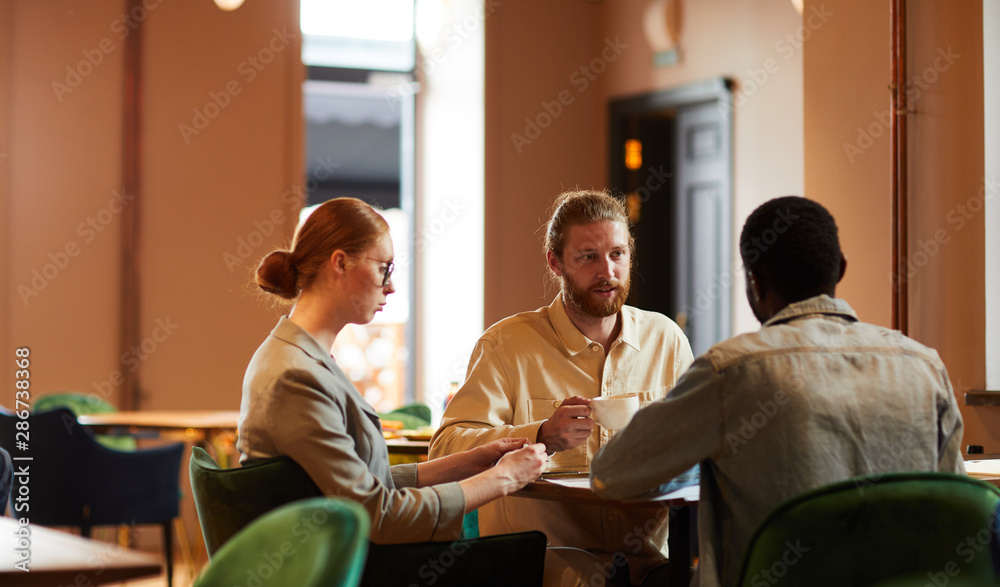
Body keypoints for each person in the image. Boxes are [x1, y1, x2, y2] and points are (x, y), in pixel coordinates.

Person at [591, 196, 966, 587]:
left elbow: (610, 474)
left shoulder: (730, 371)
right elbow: (957, 503)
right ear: (840, 268)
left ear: (754, 281)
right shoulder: (925, 366)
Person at [237, 197, 547, 546]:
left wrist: (471, 463)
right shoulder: (295, 376)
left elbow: (363, 484)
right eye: (385, 267)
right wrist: (503, 479)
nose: (391, 285)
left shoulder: (300, 357)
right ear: (339, 263)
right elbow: (378, 516)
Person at [430, 189, 694, 584]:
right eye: (588, 257)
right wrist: (538, 435)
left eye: (617, 254)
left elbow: (697, 445)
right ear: (555, 262)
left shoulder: (666, 340)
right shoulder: (506, 345)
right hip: (545, 562)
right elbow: (446, 446)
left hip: (649, 560)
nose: (607, 272)